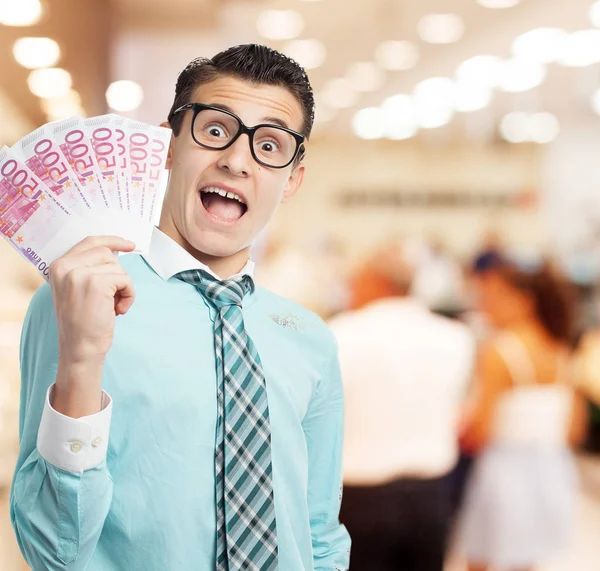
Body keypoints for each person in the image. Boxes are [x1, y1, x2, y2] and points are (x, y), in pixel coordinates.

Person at [10, 45, 350, 571]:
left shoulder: (308, 337)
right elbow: (53, 552)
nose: (236, 161)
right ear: (168, 144)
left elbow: (320, 533)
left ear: (293, 179)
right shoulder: (79, 298)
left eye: (269, 145)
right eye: (215, 130)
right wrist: (81, 358)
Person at [329, 244, 475, 571]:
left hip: (359, 497)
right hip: (432, 494)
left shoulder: (341, 334)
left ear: (377, 284)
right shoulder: (455, 337)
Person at [458, 255, 587, 571]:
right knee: (525, 560)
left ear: (523, 300)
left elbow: (481, 428)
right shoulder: (558, 348)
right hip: (553, 470)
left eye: (492, 297)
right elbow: (574, 429)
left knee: (481, 557)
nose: (484, 305)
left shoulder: (500, 351)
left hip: (504, 472)